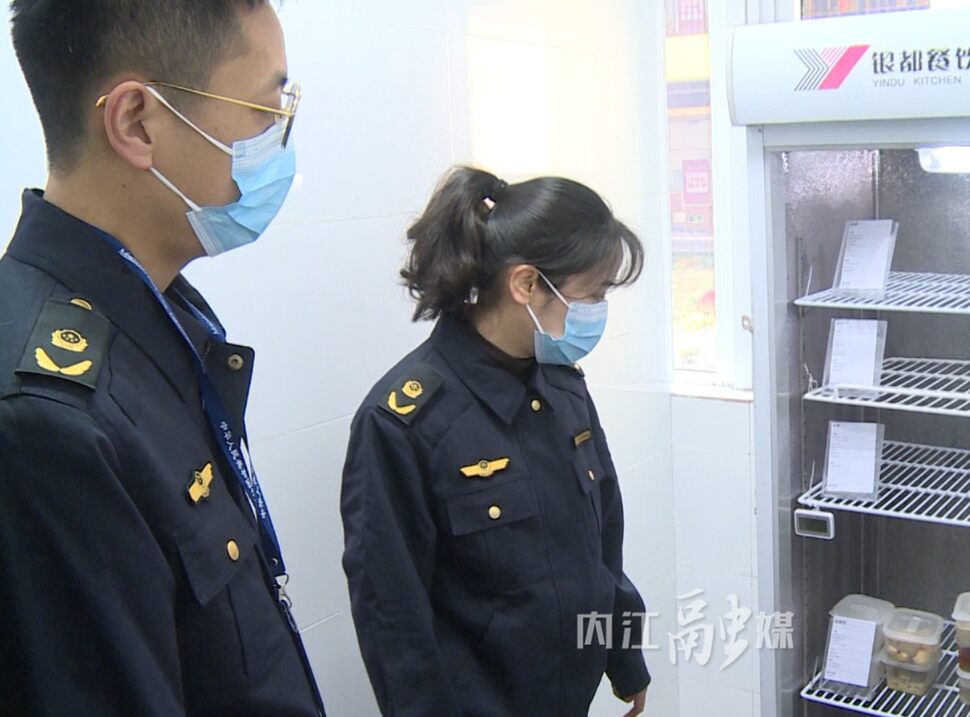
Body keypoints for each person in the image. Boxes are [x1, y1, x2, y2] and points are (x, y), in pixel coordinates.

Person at [0, 1, 323, 715]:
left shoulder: (160, 308)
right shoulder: (47, 419)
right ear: (137, 123)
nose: (279, 138)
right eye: (266, 110)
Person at [341, 166, 651, 716]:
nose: (598, 310)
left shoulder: (560, 384)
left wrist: (624, 655)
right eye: (592, 294)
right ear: (525, 284)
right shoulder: (403, 424)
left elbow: (602, 537)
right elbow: (393, 620)